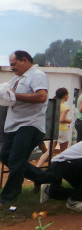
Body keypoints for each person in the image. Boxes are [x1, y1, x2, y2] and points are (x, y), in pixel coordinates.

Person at [0, 51, 49, 205]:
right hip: (14, 126)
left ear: (24, 60)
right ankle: (43, 178)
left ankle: (8, 197)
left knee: (16, 159)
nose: (12, 67)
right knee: (5, 156)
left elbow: (41, 97)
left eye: (14, 64)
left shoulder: (37, 75)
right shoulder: (17, 78)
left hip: (30, 124)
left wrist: (15, 96)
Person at [37, 88, 73, 167]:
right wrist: (69, 120)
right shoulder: (65, 107)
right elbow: (62, 119)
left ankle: (38, 167)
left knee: (49, 151)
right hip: (63, 130)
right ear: (65, 96)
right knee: (64, 151)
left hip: (53, 130)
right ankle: (60, 168)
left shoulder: (53, 104)